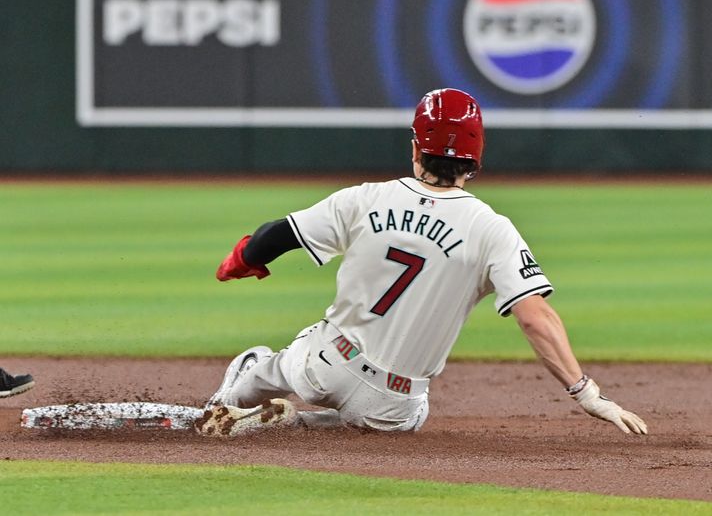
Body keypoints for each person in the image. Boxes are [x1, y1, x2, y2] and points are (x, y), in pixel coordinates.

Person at [196, 88, 647, 437]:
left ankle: (233, 398)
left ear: (416, 147)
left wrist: (242, 259)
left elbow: (277, 234)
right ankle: (290, 425)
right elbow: (535, 317)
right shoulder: (493, 228)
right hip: (394, 402)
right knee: (407, 417)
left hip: (326, 364)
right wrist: (587, 394)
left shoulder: (365, 199)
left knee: (270, 366)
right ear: (476, 157)